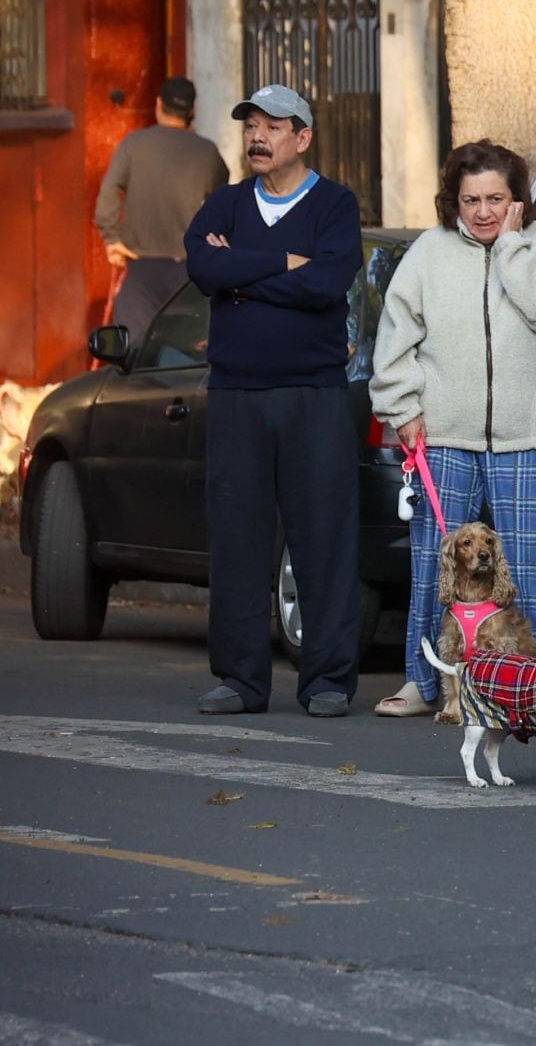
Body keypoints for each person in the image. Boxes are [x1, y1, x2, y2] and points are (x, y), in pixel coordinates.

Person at [369, 140, 536, 717]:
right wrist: (403, 406)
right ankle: (425, 681)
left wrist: (513, 246)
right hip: (444, 436)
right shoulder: (427, 254)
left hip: (524, 438)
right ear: (452, 200)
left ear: (517, 201)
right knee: (433, 568)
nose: (483, 211)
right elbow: (394, 339)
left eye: (495, 199)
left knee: (532, 569)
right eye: (470, 200)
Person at [182, 84, 362, 717]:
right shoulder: (224, 204)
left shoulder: (336, 205)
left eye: (272, 127)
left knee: (324, 538)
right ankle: (239, 679)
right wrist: (282, 261)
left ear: (303, 137)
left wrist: (246, 274)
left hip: (312, 395)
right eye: (251, 126)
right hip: (235, 394)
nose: (257, 137)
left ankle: (329, 681)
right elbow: (203, 269)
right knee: (237, 539)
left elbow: (327, 283)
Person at [97, 76, 231, 336]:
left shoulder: (133, 145)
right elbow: (222, 206)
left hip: (141, 268)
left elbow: (108, 192)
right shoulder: (207, 152)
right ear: (192, 112)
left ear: (159, 104)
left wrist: (112, 239)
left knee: (135, 351)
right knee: (187, 352)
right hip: (188, 272)